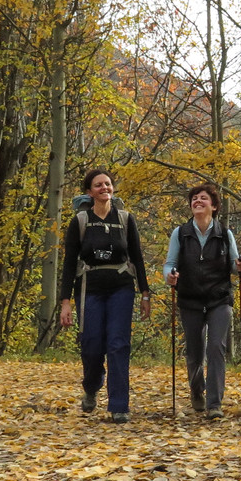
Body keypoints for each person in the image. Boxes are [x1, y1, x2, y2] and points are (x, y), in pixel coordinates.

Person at [60, 169, 152, 423]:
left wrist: (145, 293)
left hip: (121, 288)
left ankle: (119, 405)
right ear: (89, 192)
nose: (104, 188)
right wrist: (65, 302)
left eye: (108, 184)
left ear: (113, 188)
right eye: (98, 185)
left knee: (118, 344)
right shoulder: (80, 221)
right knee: (91, 345)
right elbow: (69, 264)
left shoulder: (124, 219)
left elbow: (137, 256)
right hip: (89, 288)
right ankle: (92, 385)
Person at [163, 183, 241, 420]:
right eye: (194, 199)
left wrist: (240, 265)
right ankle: (196, 390)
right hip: (190, 298)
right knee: (195, 352)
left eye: (203, 198)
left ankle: (214, 403)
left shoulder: (224, 234)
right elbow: (170, 263)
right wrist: (169, 276)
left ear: (214, 205)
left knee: (216, 348)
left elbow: (233, 264)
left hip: (219, 298)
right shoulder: (180, 233)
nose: (198, 201)